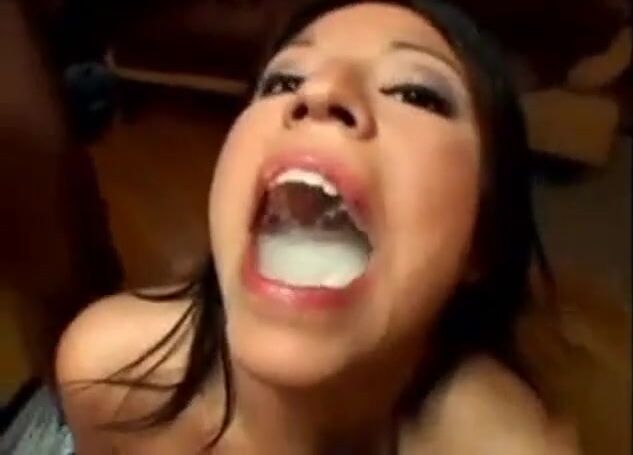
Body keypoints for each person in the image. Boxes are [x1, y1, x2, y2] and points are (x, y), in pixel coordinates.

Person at [55, 1, 580, 453]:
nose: (323, 90)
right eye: (283, 81)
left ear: (483, 241)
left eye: (415, 93)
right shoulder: (107, 373)